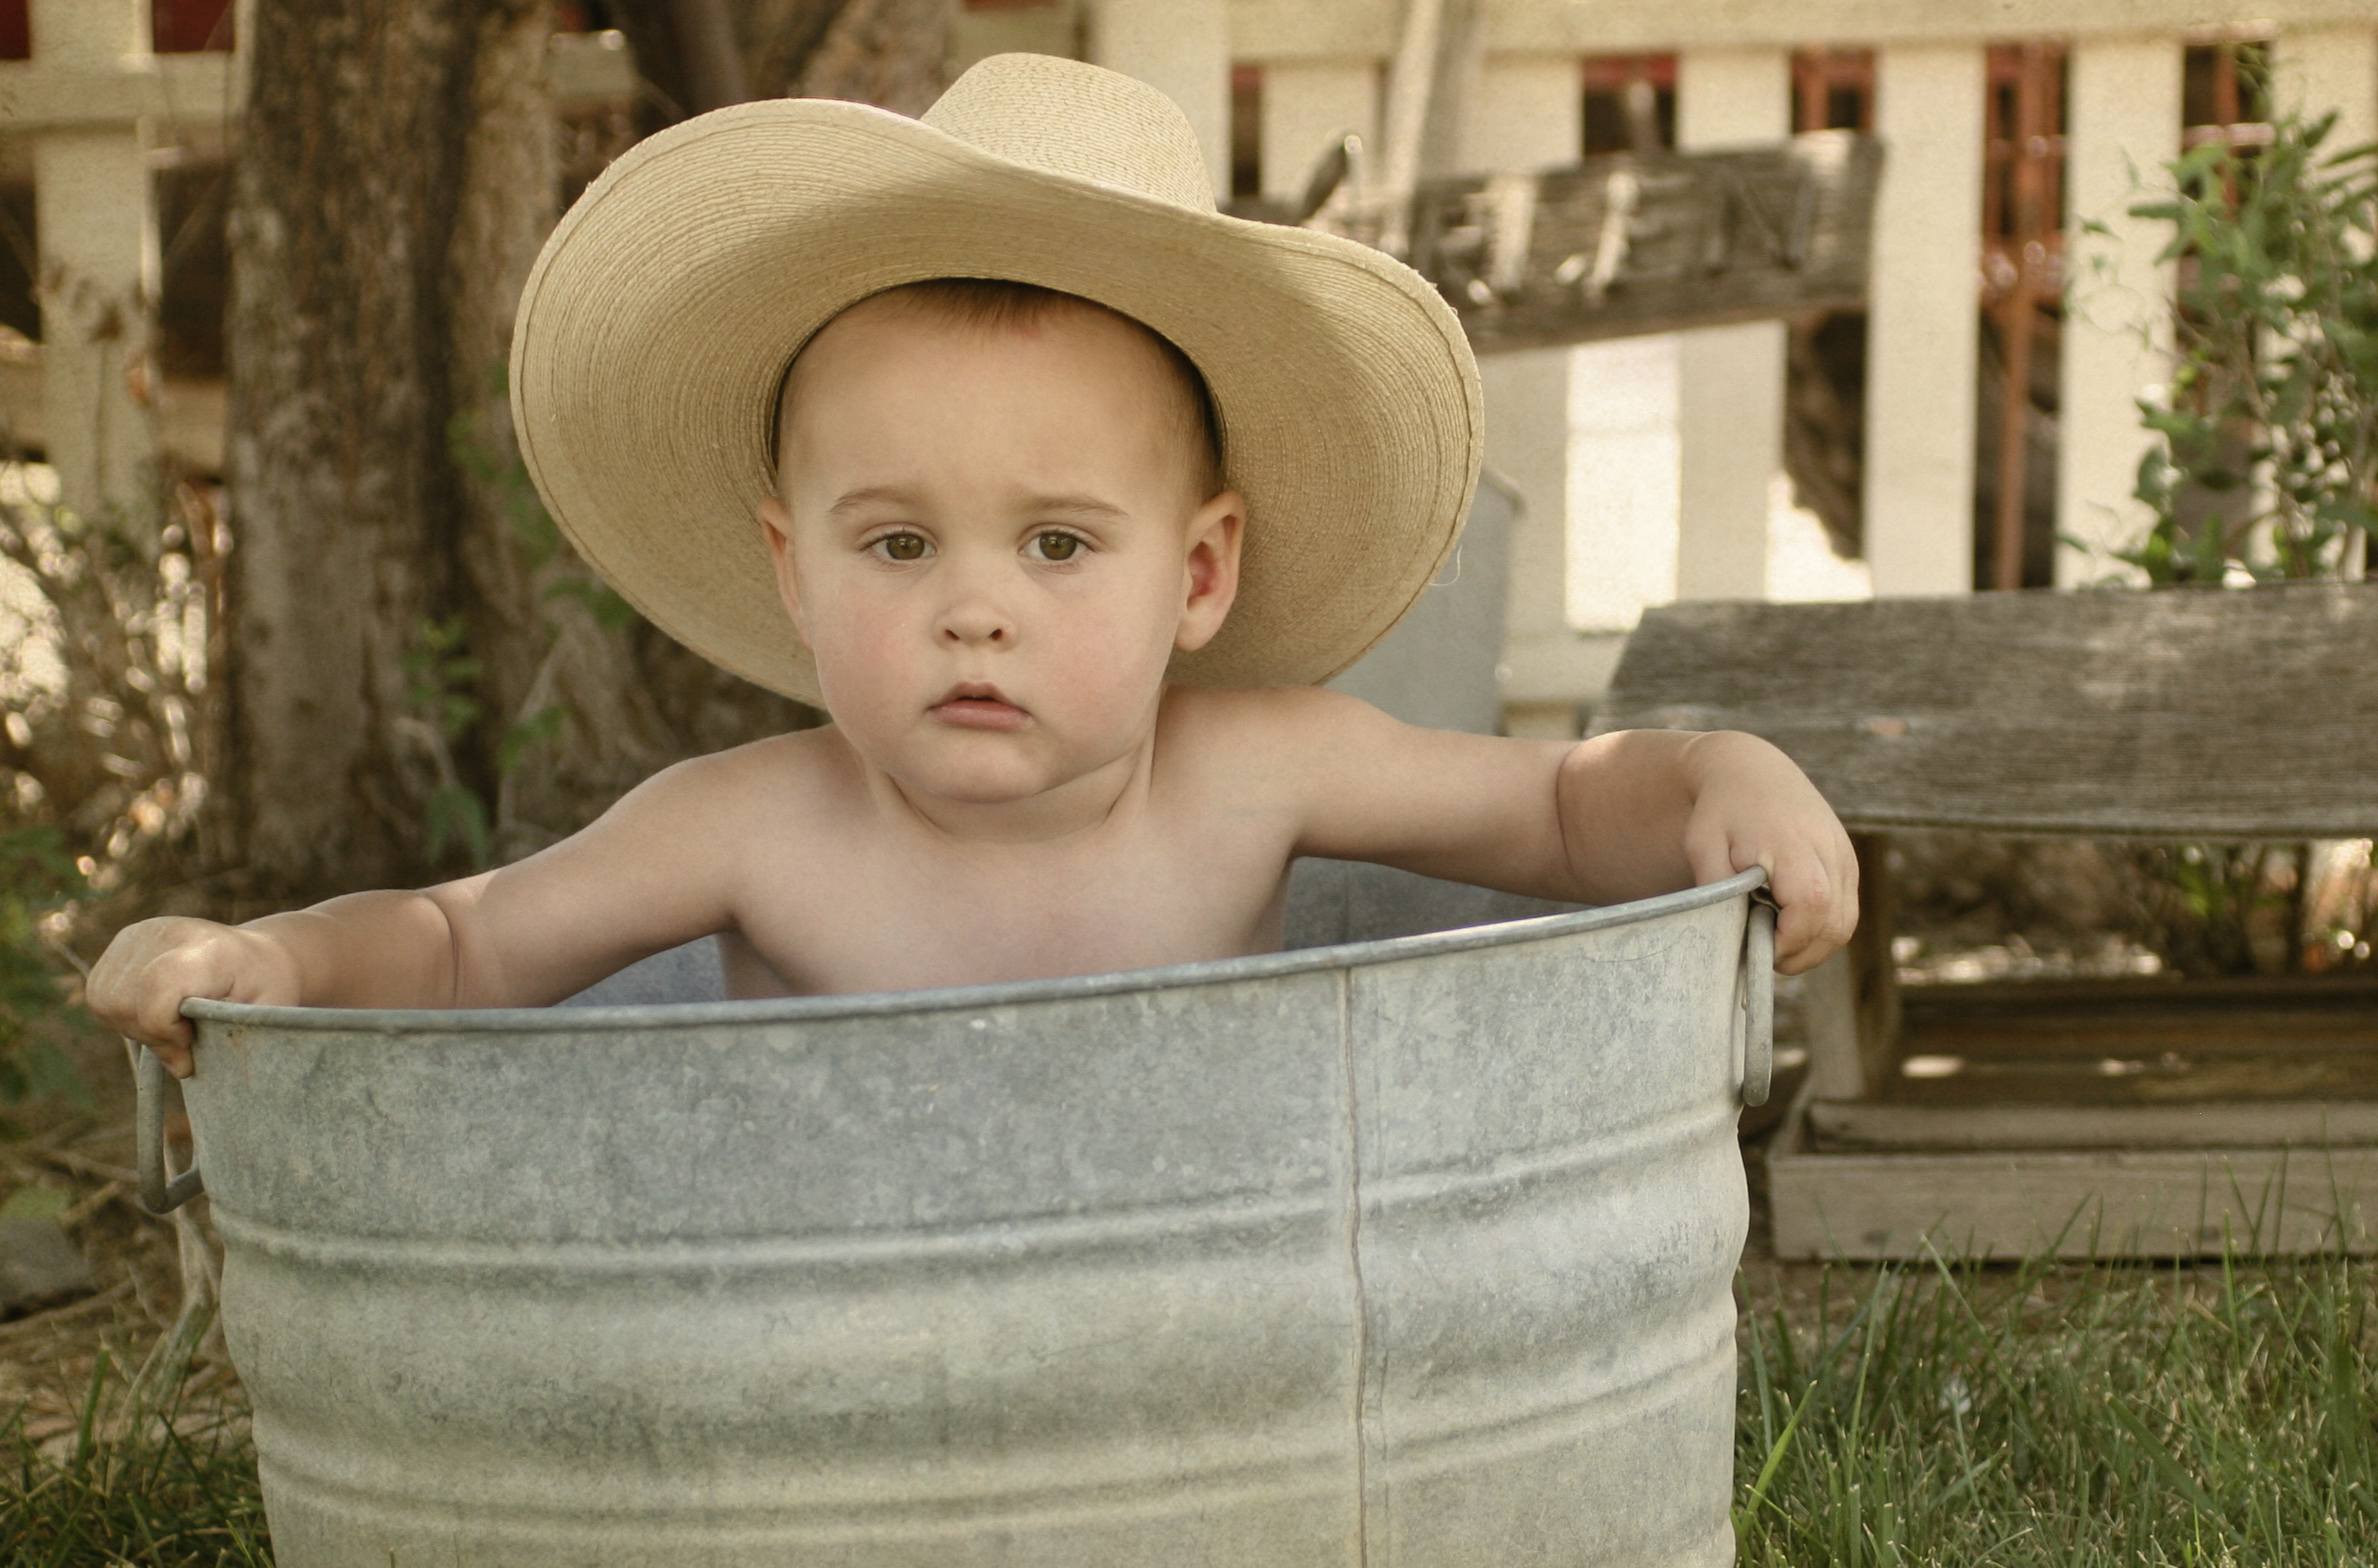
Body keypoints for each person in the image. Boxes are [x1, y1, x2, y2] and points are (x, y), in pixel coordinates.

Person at [91, 55, 1855, 1077]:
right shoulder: (751, 828)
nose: (975, 602)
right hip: (844, 1361)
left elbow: (1556, 815)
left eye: (1063, 542)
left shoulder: (1262, 768)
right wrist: (279, 962)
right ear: (792, 568)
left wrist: (1718, 776)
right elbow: (468, 947)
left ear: (1202, 576)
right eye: (898, 541)